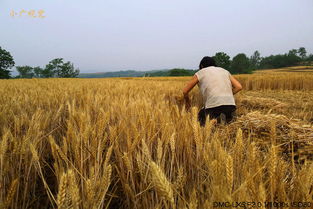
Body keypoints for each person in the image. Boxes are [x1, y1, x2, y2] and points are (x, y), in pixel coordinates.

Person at [182, 56, 242, 126]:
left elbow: (185, 91)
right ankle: (222, 119)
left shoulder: (200, 73)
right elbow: (239, 87)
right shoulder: (224, 71)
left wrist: (187, 103)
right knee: (229, 126)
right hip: (230, 105)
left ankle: (217, 120)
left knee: (201, 122)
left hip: (212, 105)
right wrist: (227, 94)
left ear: (202, 65)